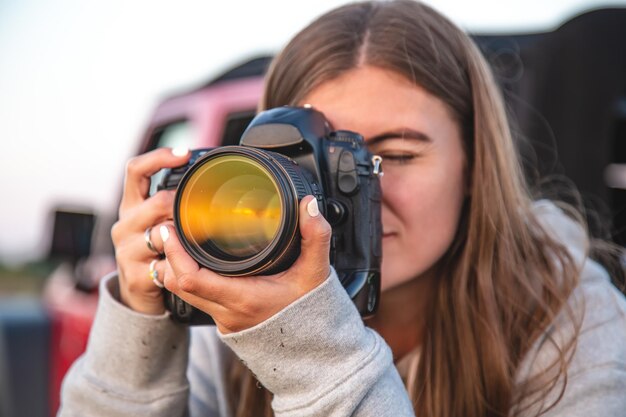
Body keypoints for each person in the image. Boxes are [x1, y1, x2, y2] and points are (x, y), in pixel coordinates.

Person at [58, 1, 626, 416]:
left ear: (477, 167)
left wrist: (306, 346)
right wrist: (139, 328)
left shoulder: (571, 314)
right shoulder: (226, 298)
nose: (348, 196)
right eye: (315, 161)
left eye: (395, 154)